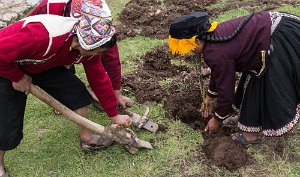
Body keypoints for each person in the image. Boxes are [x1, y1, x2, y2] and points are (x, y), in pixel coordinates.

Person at [0, 1, 132, 176]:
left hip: (41, 63)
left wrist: (114, 116)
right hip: (6, 65)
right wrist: (17, 77)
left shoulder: (87, 50)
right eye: (100, 52)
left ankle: (87, 138)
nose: (99, 56)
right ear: (86, 44)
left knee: (76, 92)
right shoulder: (43, 36)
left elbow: (99, 79)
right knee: (8, 121)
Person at [168, 11, 300, 144]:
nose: (190, 52)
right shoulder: (212, 39)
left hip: (278, 39)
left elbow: (226, 92)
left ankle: (253, 135)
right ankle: (246, 119)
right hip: (272, 28)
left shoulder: (215, 53)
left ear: (196, 40)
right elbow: (219, 72)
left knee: (264, 84)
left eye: (189, 48)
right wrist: (209, 96)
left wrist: (216, 120)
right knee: (253, 79)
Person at [26, 0, 132, 109]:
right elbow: (22, 32)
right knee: (63, 73)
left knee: (96, 55)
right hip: (48, 51)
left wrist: (116, 92)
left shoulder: (100, 19)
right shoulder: (49, 8)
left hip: (75, 42)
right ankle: (66, 100)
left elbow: (110, 58)